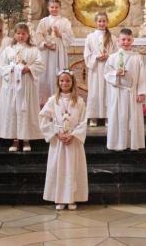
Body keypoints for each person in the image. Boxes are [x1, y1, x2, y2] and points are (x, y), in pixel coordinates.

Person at [39, 70, 89, 210]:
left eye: (67, 80)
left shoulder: (79, 102)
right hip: (58, 141)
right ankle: (59, 198)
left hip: (73, 141)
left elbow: (83, 121)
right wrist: (56, 133)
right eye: (62, 81)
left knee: (72, 169)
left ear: (72, 83)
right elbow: (43, 118)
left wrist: (73, 135)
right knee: (59, 169)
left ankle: (72, 198)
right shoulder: (52, 100)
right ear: (58, 83)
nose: (64, 83)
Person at [0, 23, 45, 152]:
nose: (21, 36)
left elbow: (40, 64)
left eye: (23, 33)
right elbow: (1, 65)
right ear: (14, 35)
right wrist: (13, 68)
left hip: (27, 85)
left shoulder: (34, 49)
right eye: (18, 33)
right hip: (12, 86)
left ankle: (26, 139)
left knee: (26, 110)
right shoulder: (8, 49)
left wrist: (29, 68)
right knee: (13, 111)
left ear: (28, 35)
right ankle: (15, 140)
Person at [104, 28, 146, 151]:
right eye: (123, 39)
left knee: (132, 119)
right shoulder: (112, 57)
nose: (126, 42)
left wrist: (141, 92)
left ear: (132, 40)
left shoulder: (137, 57)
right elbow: (106, 74)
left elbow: (142, 76)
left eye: (129, 39)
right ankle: (117, 143)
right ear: (118, 41)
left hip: (132, 93)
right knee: (118, 118)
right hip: (117, 93)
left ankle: (133, 143)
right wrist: (115, 74)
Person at [36, 0, 74, 105]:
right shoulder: (43, 21)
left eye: (56, 7)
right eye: (52, 7)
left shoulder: (65, 21)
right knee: (45, 76)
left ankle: (58, 100)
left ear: (60, 8)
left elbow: (70, 37)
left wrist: (60, 34)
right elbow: (38, 36)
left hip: (59, 52)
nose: (54, 9)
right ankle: (44, 101)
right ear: (48, 8)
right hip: (46, 53)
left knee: (57, 74)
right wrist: (45, 44)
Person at [84, 12, 116, 127]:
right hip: (96, 68)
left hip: (108, 68)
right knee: (94, 92)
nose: (102, 23)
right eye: (99, 21)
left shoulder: (112, 37)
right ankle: (93, 116)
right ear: (95, 22)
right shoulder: (90, 37)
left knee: (108, 92)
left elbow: (117, 54)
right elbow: (87, 54)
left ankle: (108, 116)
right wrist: (96, 57)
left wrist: (109, 57)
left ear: (107, 22)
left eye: (104, 21)